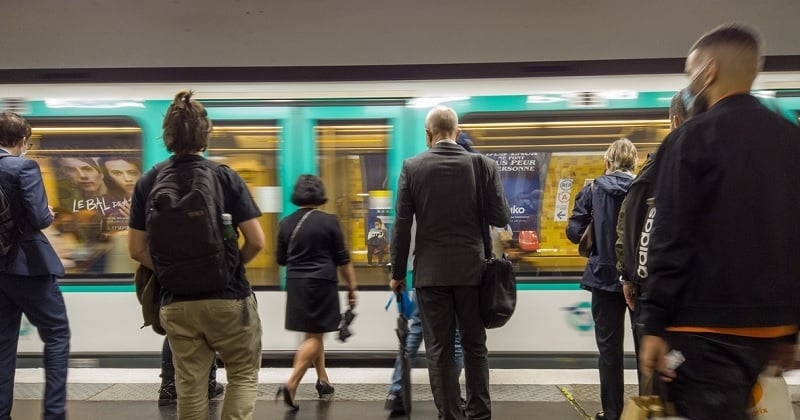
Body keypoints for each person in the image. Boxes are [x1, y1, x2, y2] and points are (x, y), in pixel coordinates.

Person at [638, 23, 800, 420]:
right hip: (770, 327)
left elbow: (671, 236)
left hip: (704, 328)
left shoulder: (690, 138)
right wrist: (791, 327)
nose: (689, 80)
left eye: (689, 71)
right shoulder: (791, 138)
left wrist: (654, 324)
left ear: (708, 70)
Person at [128, 90, 265, 419]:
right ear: (206, 134)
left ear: (167, 136)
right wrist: (226, 268)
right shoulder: (224, 176)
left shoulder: (148, 181)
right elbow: (257, 241)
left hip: (177, 302)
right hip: (229, 299)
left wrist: (174, 270)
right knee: (242, 376)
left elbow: (136, 250)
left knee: (190, 386)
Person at [390, 106, 510, 420]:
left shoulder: (412, 167)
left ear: (428, 135)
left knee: (439, 350)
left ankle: (451, 415)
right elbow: (501, 217)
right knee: (474, 345)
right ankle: (480, 412)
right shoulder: (483, 165)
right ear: (457, 133)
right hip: (473, 272)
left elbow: (402, 225)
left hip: (430, 275)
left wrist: (397, 273)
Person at [614, 90, 690, 394]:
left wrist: (630, 279)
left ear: (674, 120)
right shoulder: (732, 160)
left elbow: (635, 230)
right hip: (711, 312)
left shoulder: (656, 168)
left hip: (661, 302)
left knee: (659, 387)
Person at [0, 112, 71, 420]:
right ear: (22, 141)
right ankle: (54, 414)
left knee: (3, 345)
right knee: (57, 334)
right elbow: (40, 219)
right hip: (28, 267)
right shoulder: (24, 166)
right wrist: (48, 213)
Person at [566, 138, 637, 420]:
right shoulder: (642, 188)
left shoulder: (593, 188)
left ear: (608, 162)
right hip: (638, 279)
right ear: (634, 163)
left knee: (609, 350)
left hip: (602, 277)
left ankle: (612, 412)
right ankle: (648, 410)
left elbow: (574, 233)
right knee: (645, 347)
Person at [275, 174, 358, 411]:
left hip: (296, 284)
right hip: (322, 283)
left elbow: (281, 259)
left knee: (314, 332)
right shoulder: (329, 221)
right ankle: (291, 383)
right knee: (316, 335)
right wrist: (352, 287)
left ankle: (323, 380)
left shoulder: (285, 223)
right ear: (320, 195)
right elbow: (343, 259)